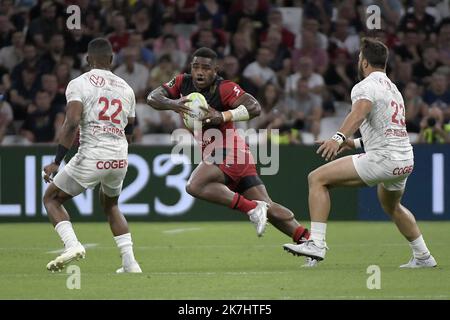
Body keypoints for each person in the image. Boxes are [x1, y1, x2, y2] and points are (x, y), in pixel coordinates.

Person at [283, 38, 437, 268]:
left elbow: (359, 112)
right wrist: (353, 144)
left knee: (317, 178)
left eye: (358, 59)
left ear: (364, 62)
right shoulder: (393, 89)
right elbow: (388, 130)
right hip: (404, 159)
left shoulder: (364, 86)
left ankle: (316, 244)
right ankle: (424, 256)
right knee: (392, 206)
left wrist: (338, 138)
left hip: (383, 159)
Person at [147, 47, 311, 252]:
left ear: (215, 70)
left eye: (206, 68)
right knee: (269, 207)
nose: (199, 72)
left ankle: (252, 209)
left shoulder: (224, 88)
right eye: (196, 66)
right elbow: (153, 97)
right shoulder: (182, 82)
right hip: (230, 156)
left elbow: (255, 107)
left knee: (194, 186)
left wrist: (223, 116)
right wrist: (173, 104)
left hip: (229, 152)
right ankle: (309, 241)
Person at [42, 38, 142, 273]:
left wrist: (57, 161)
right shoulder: (126, 88)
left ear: (87, 60)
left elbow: (72, 122)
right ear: (112, 60)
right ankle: (130, 263)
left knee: (52, 198)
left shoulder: (79, 83)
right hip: (120, 156)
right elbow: (131, 130)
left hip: (92, 154)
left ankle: (72, 245)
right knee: (111, 205)